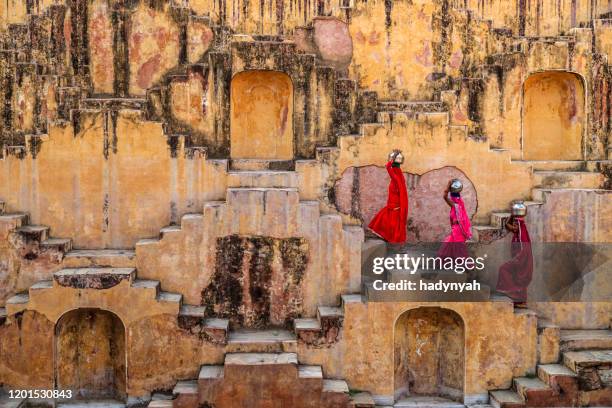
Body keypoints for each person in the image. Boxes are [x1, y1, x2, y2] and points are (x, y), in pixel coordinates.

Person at [495, 202, 533, 307]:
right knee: (518, 278)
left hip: (521, 260)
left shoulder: (521, 231)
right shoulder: (518, 230)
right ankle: (520, 302)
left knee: (504, 269)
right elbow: (509, 226)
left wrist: (517, 260)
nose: (514, 226)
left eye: (515, 225)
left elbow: (524, 248)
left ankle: (513, 294)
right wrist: (513, 215)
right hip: (519, 259)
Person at [368, 149, 408, 244]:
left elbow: (388, 167)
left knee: (391, 223)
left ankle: (393, 241)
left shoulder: (397, 176)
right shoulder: (397, 175)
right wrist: (394, 159)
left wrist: (393, 159)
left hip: (395, 205)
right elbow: (389, 167)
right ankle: (390, 239)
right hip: (393, 204)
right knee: (388, 221)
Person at [437, 179, 472, 259]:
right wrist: (449, 187)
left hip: (458, 229)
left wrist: (448, 187)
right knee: (450, 246)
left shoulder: (456, 205)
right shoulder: (456, 206)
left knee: (458, 248)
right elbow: (446, 197)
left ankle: (467, 265)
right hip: (456, 229)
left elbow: (445, 197)